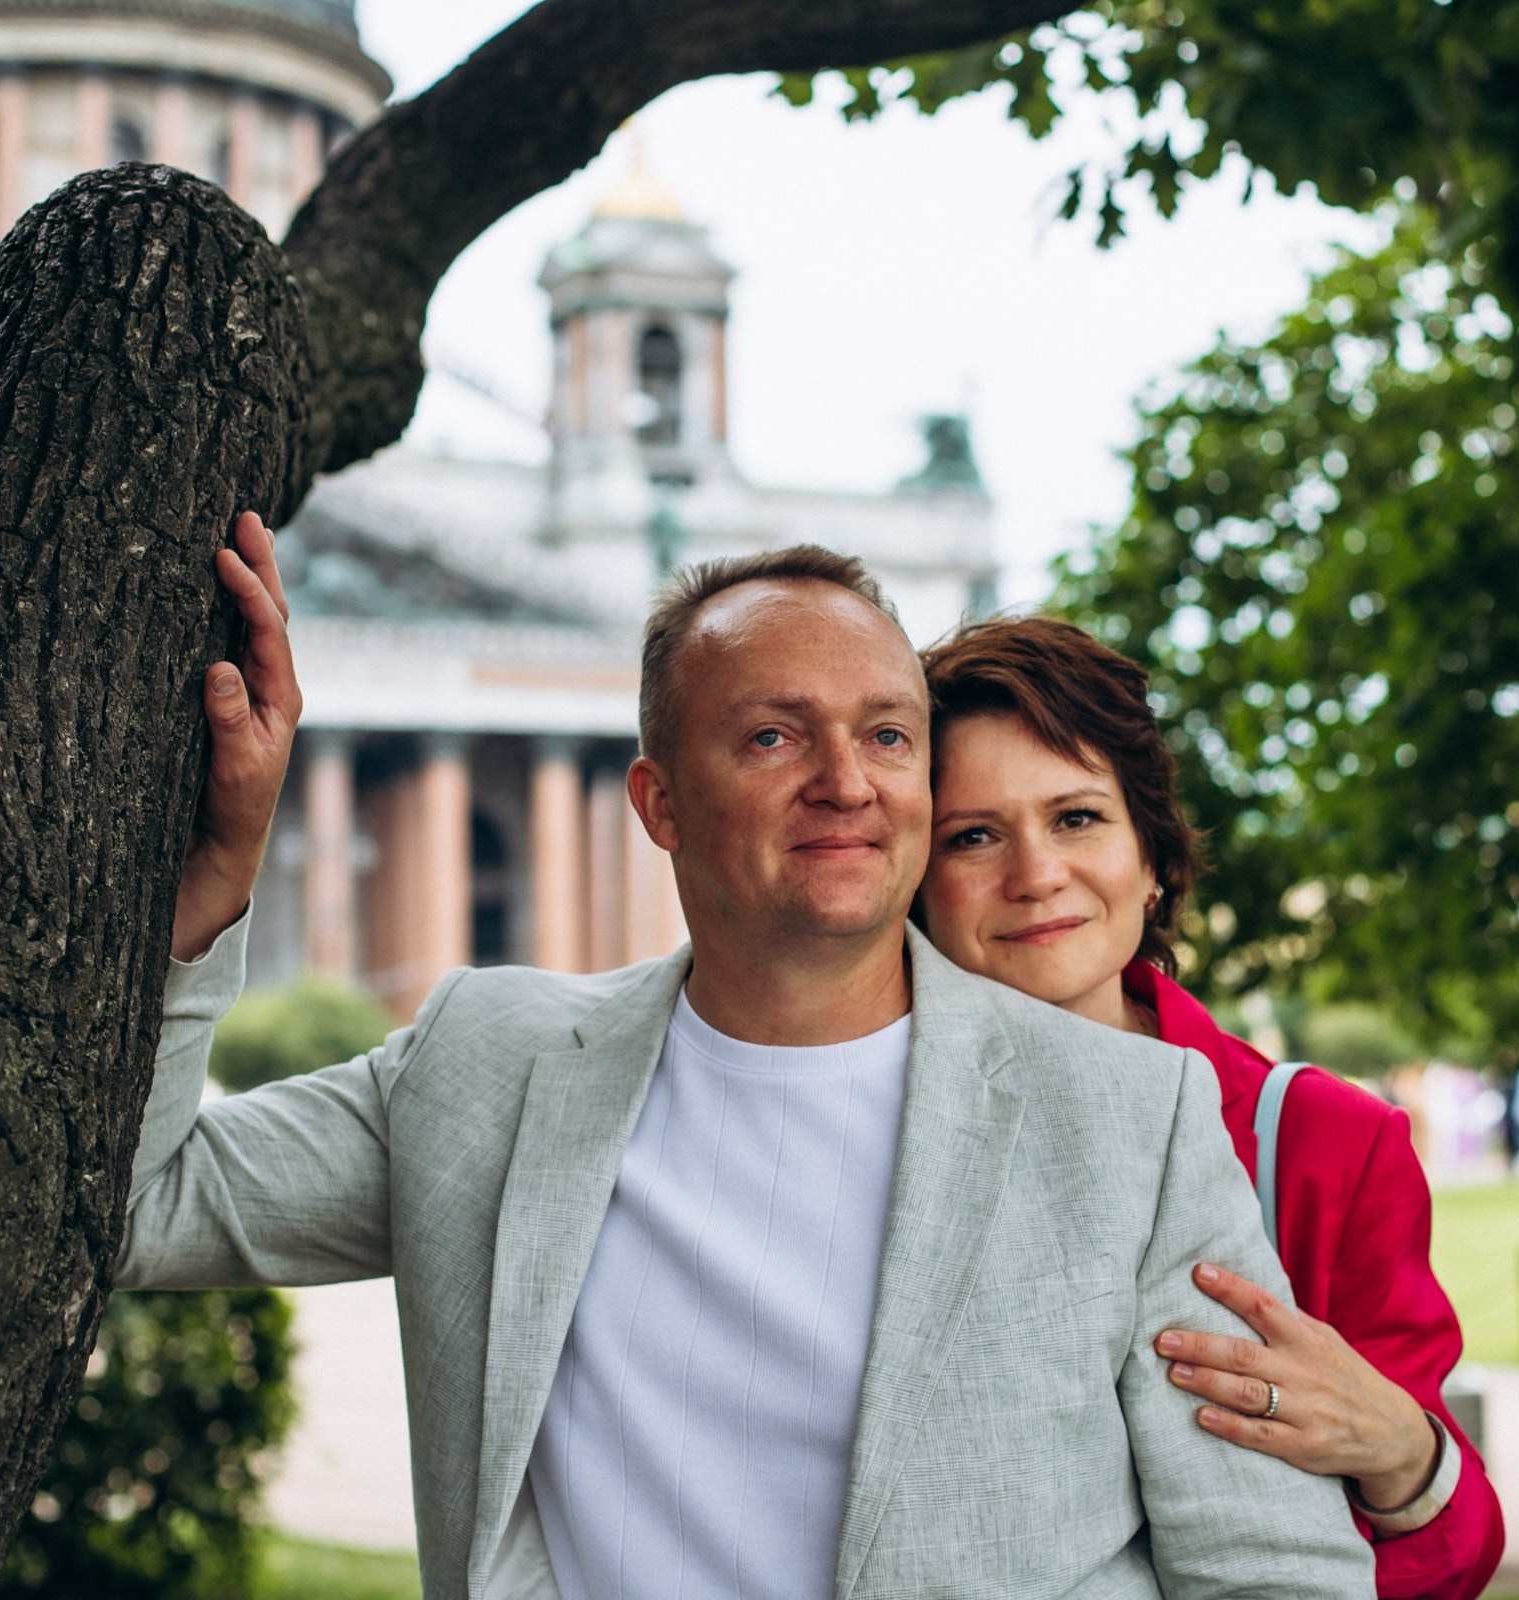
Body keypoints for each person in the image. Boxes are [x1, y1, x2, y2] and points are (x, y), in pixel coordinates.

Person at [124, 520, 1372, 1600]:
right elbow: (138, 1202)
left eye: (889, 737)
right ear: (659, 802)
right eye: (775, 737)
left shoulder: (1129, 1117)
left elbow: (1272, 1563)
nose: (847, 782)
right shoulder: (485, 1068)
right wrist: (217, 880)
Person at [913, 615, 1506, 1600]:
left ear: (1151, 854)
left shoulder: (1323, 1143)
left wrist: (1405, 1453)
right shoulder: (866, 1134)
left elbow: (1443, 1563)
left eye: (1077, 817)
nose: (1035, 873)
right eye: (973, 835)